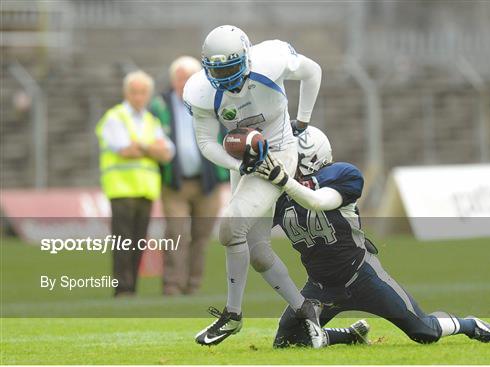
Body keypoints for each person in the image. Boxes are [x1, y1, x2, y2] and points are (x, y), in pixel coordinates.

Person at [255, 126, 490, 348]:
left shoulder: (341, 176)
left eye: (290, 156)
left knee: (424, 331)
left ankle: (470, 325)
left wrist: (284, 181)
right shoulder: (280, 195)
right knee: (288, 341)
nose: (283, 161)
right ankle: (350, 336)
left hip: (363, 277)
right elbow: (253, 225)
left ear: (311, 156)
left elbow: (319, 201)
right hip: (320, 287)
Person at [183, 25, 325, 347]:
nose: (227, 77)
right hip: (245, 162)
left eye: (232, 67)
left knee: (230, 230)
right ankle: (307, 311)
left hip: (278, 154)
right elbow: (206, 142)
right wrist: (239, 165)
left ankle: (233, 314)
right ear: (207, 68)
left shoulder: (270, 60)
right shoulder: (200, 90)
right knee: (259, 253)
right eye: (219, 70)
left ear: (246, 58)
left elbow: (312, 72)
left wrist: (302, 119)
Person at [150, 56, 228, 296]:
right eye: (180, 78)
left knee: (201, 238)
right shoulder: (159, 106)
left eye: (189, 78)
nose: (184, 82)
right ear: (173, 80)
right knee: (176, 234)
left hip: (208, 184)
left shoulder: (212, 103)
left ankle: (192, 286)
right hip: (175, 184)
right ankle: (172, 285)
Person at [96, 70, 174, 297]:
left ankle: (132, 287)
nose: (138, 97)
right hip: (121, 188)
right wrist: (152, 148)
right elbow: (124, 149)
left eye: (142, 92)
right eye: (134, 92)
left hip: (146, 190)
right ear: (126, 92)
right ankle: (123, 288)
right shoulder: (115, 116)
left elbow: (168, 152)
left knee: (138, 241)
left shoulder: (151, 120)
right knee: (123, 240)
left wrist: (141, 146)